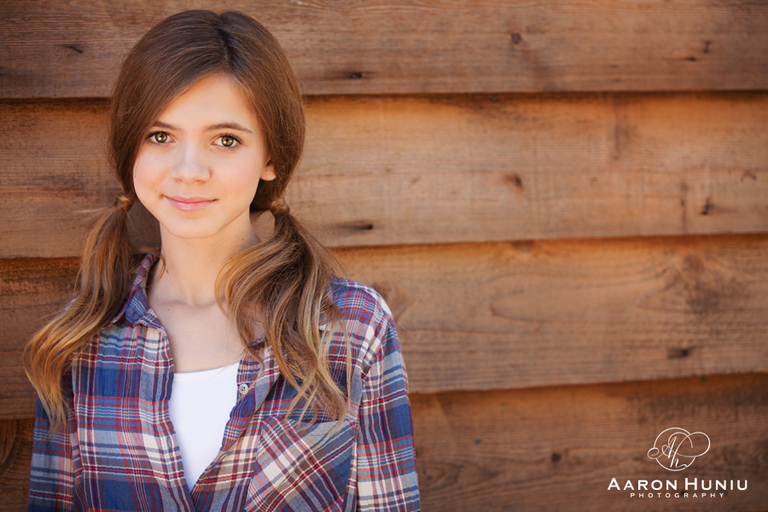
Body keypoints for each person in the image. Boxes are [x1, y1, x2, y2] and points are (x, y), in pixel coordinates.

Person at [24, 10, 419, 511]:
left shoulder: (350, 329)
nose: (189, 171)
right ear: (132, 152)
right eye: (161, 136)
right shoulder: (78, 344)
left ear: (270, 157)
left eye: (225, 140)